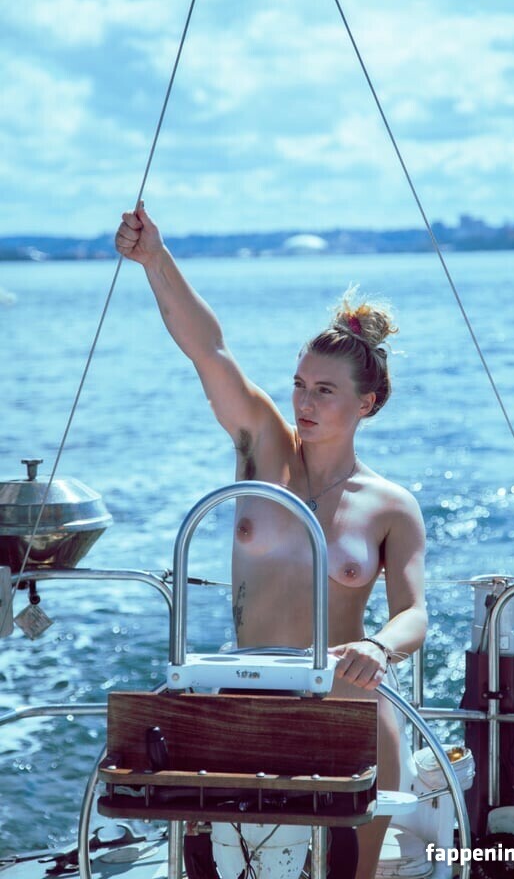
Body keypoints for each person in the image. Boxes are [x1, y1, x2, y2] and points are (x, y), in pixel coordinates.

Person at [115, 203, 428, 879]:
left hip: (346, 706)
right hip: (245, 696)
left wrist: (379, 646)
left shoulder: (391, 505)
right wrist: (154, 260)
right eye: (299, 385)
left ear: (367, 403)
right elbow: (209, 349)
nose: (304, 403)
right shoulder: (261, 447)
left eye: (325, 391)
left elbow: (414, 613)